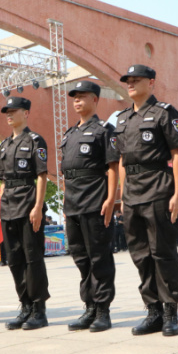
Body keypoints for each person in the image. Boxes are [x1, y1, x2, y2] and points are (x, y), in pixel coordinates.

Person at [115, 64, 178, 337]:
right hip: (132, 193)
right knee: (140, 254)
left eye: (136, 80)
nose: (130, 84)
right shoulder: (121, 119)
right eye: (128, 80)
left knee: (162, 252)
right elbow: (122, 159)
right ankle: (153, 309)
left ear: (151, 83)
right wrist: (122, 193)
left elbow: (177, 153)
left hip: (158, 187)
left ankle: (170, 310)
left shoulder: (164, 113)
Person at [60, 80, 119, 333]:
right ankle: (90, 307)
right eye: (74, 97)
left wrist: (111, 199)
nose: (77, 100)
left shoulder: (105, 130)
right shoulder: (69, 134)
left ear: (95, 100)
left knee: (99, 257)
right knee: (81, 258)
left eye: (83, 96)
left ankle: (103, 310)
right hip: (72, 203)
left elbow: (113, 167)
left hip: (95, 200)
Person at [0, 97, 50, 331]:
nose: (9, 114)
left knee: (32, 258)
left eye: (13, 110)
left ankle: (39, 309)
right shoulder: (4, 145)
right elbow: (1, 181)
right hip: (8, 208)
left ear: (25, 113)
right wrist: (0, 208)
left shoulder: (35, 140)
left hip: (28, 205)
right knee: (15, 259)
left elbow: (42, 176)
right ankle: (25, 305)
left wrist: (38, 207)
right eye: (6, 111)